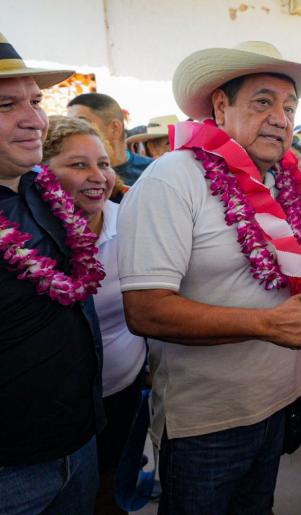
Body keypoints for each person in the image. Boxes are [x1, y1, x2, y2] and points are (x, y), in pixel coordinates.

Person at [117, 41, 301, 514]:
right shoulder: (173, 178)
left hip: (280, 409)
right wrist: (264, 325)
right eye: (263, 101)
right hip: (208, 424)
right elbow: (145, 309)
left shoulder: (285, 186)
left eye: (289, 105)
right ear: (221, 105)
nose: (280, 117)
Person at [0, 34, 105, 514]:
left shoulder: (44, 190)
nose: (34, 119)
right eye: (7, 104)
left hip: (78, 445)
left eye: (36, 102)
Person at [42, 115, 147, 514]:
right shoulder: (28, 238)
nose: (98, 176)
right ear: (42, 172)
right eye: (78, 164)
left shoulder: (132, 223)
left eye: (103, 163)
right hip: (58, 409)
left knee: (112, 490)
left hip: (124, 390)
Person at [67, 92, 153, 186]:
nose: (72, 130)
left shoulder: (151, 171)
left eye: (82, 123)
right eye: (70, 124)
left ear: (114, 128)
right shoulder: (69, 174)